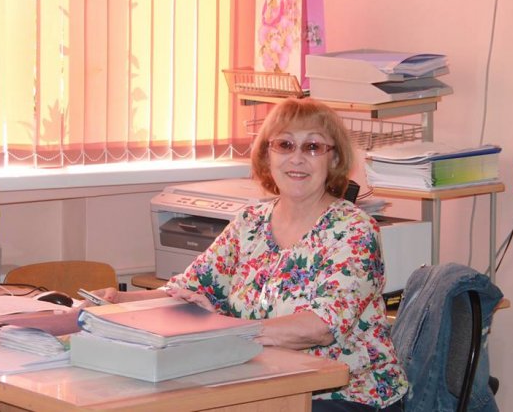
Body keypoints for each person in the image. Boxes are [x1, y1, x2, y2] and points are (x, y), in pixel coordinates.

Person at [93, 98, 408, 411]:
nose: (297, 158)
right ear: (268, 155)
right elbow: (188, 290)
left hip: (346, 396)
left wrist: (225, 331)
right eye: (284, 145)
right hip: (261, 385)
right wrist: (114, 302)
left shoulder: (353, 229)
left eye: (312, 147)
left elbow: (320, 327)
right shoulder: (250, 222)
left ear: (334, 159)